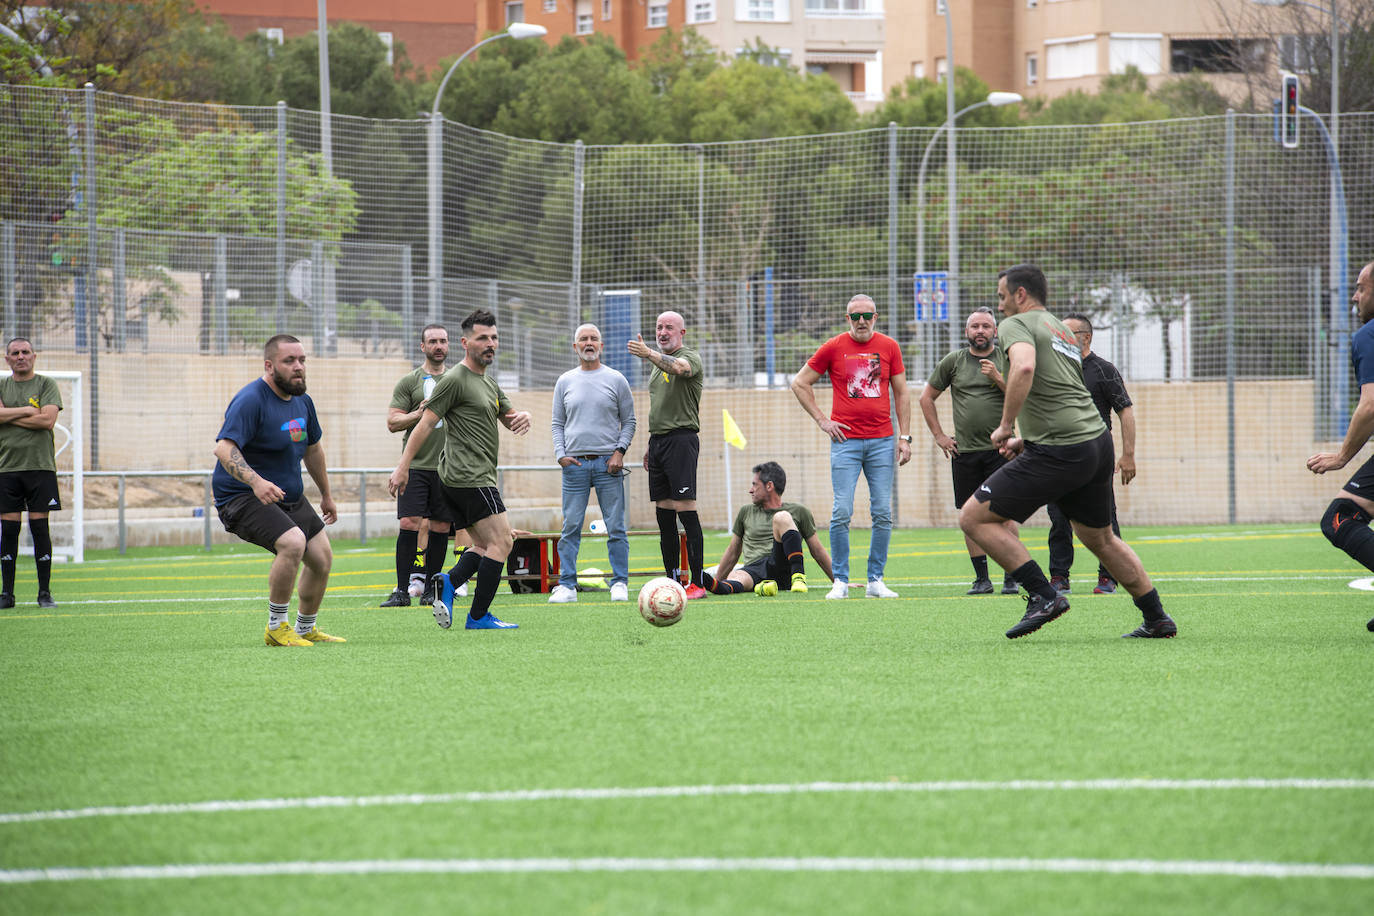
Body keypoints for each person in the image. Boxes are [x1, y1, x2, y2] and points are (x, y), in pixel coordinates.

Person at [958, 264, 1175, 640]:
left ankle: (1044, 596)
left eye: (1002, 296)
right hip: (1094, 442)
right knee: (1101, 538)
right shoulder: (1059, 328)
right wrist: (1028, 440)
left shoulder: (1015, 325)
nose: (1001, 304)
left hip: (1062, 448)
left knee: (974, 518)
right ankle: (1156, 617)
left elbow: (1023, 367)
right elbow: (1066, 389)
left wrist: (1007, 426)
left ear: (1020, 295)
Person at [388, 309, 532, 631]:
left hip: (469, 477)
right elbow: (425, 424)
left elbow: (508, 417)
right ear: (466, 342)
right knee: (503, 543)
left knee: (482, 546)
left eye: (494, 338)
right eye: (483, 338)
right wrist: (403, 468)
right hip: (469, 477)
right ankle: (478, 616)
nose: (490, 343)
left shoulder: (488, 382)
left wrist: (523, 416)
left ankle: (446, 582)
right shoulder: (454, 379)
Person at [212, 335, 343, 647]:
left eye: (302, 360)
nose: (298, 367)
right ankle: (276, 627)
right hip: (241, 496)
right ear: (269, 366)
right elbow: (223, 448)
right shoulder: (251, 399)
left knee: (322, 558)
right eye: (289, 361)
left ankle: (305, 628)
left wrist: (326, 494)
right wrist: (256, 482)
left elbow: (313, 451)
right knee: (293, 543)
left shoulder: (303, 401)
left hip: (287, 495)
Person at [791, 294, 912, 599]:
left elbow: (902, 394)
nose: (861, 321)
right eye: (855, 316)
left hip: (883, 441)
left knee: (882, 511)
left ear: (876, 317)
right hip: (845, 442)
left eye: (867, 315)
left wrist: (904, 438)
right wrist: (823, 421)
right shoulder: (833, 347)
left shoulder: (890, 347)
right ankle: (840, 581)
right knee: (841, 510)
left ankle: (875, 580)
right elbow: (799, 383)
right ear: (847, 319)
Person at [919, 308, 1020, 596]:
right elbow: (926, 398)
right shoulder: (954, 361)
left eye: (986, 326)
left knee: (1004, 514)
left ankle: (1012, 577)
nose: (980, 331)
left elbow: (1022, 393)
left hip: (1002, 451)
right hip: (965, 453)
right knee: (969, 517)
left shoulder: (1006, 358)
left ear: (995, 332)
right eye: (974, 326)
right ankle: (982, 579)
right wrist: (939, 436)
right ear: (966, 332)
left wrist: (999, 377)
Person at [1045, 312, 1137, 596]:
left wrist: (1128, 455)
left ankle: (1109, 576)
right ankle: (1059, 578)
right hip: (1058, 455)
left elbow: (1125, 411)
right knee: (1059, 517)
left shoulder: (1104, 370)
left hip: (1095, 455)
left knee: (1104, 517)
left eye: (1067, 332)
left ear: (1085, 338)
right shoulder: (1054, 369)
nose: (1060, 337)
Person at [1308, 259, 1374, 633]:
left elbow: (1370, 404)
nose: (1355, 295)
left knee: (1340, 518)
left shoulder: (1368, 335)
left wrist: (1342, 456)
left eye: (1361, 287)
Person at [550, 323, 636, 604]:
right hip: (573, 466)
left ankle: (620, 582)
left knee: (616, 526)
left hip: (608, 465)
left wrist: (619, 452)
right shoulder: (564, 381)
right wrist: (560, 455)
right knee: (570, 526)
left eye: (594, 339)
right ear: (575, 347)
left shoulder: (617, 380)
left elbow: (630, 421)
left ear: (602, 346)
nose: (589, 343)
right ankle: (567, 586)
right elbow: (557, 423)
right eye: (583, 339)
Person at [628, 310, 707, 600]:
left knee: (686, 510)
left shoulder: (690, 356)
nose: (663, 331)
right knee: (664, 516)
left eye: (669, 327)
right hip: (660, 442)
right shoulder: (654, 366)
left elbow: (680, 368)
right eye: (659, 326)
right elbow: (661, 407)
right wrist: (652, 442)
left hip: (682, 441)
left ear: (681, 333)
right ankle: (673, 580)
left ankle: (697, 582)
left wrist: (648, 352)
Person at [382, 324, 460, 608]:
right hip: (414, 466)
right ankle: (402, 590)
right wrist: (420, 413)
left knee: (440, 526)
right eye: (433, 341)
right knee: (409, 523)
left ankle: (430, 589)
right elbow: (392, 422)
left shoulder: (458, 380)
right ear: (422, 347)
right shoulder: (410, 382)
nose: (439, 346)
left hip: (448, 468)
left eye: (443, 341)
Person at [702, 461, 833, 596]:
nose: (750, 490)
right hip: (754, 571)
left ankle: (798, 577)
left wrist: (838, 581)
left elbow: (817, 550)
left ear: (769, 485)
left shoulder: (799, 511)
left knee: (782, 517)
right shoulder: (745, 511)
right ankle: (721, 587)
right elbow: (733, 552)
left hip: (784, 568)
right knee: (736, 576)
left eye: (755, 485)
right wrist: (717, 579)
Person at [0, 338, 62, 609]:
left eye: (25, 352)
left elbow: (47, 420)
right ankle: (7, 594)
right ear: (7, 359)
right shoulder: (2, 385)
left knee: (40, 529)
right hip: (7, 468)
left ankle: (44, 593)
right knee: (9, 532)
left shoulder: (46, 384)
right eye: (15, 353)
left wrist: (8, 414)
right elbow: (35, 417)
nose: (21, 356)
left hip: (40, 468)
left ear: (34, 356)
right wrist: (27, 410)